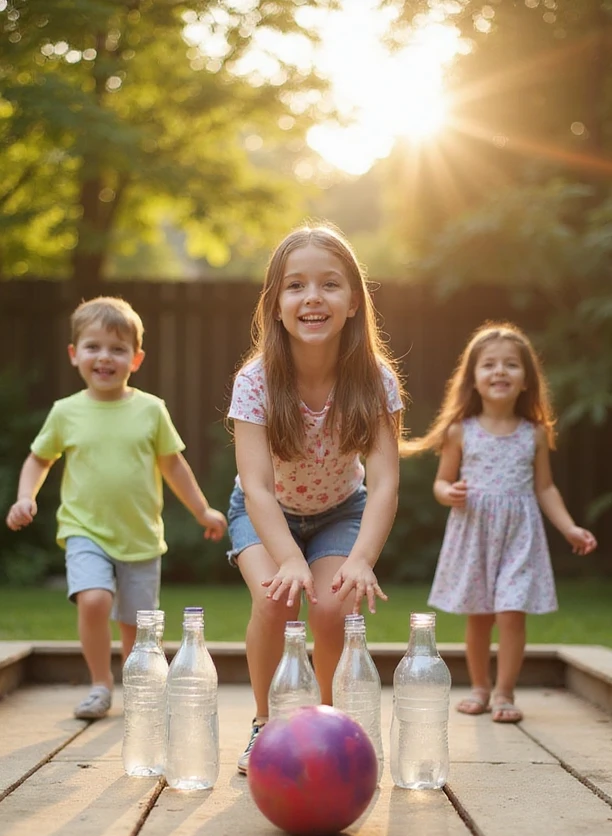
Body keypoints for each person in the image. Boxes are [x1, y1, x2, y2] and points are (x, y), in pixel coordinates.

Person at [227, 224, 405, 772]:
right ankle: (265, 723)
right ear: (276, 305)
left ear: (353, 303)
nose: (312, 297)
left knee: (331, 608)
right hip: (265, 512)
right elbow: (257, 487)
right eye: (295, 285)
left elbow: (385, 483)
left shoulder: (375, 381)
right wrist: (286, 557)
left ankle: (324, 726)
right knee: (276, 601)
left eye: (330, 284)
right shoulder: (256, 380)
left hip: (340, 511)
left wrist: (362, 559)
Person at [6, 296, 227, 720]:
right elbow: (39, 459)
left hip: (140, 537)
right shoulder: (66, 412)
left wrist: (202, 511)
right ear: (74, 354)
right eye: (93, 347)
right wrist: (25, 497)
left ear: (136, 359)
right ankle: (99, 685)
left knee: (137, 625)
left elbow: (174, 466)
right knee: (93, 600)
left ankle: (139, 688)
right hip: (84, 530)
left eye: (117, 348)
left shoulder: (151, 410)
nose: (104, 357)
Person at [402, 321, 597, 724]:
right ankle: (479, 687)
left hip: (519, 537)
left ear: (526, 380)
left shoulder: (535, 434)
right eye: (489, 364)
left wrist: (569, 528)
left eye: (511, 364)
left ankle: (505, 692)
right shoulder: (460, 431)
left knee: (511, 612)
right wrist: (448, 492)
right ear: (473, 378)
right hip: (474, 534)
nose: (500, 371)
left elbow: (545, 488)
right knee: (479, 616)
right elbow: (441, 482)